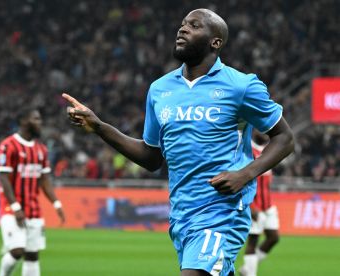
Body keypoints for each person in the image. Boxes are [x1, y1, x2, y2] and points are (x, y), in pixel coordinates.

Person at [63, 8, 294, 276]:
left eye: (194, 26)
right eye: (183, 24)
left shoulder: (241, 86)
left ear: (215, 42)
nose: (182, 29)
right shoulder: (160, 89)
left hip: (222, 211)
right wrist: (100, 127)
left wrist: (245, 174)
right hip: (182, 213)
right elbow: (151, 157)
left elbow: (285, 138)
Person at [0, 107, 65, 276]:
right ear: (23, 121)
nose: (40, 123)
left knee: (32, 254)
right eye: (36, 119)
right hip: (12, 209)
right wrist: (15, 207)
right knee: (17, 250)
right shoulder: (8, 145)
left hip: (34, 209)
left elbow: (44, 180)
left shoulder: (41, 150)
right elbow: (4, 178)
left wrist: (56, 204)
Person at [239, 132, 280, 276]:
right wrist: (249, 206)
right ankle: (250, 273)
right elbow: (241, 180)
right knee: (253, 241)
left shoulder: (268, 150)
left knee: (273, 238)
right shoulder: (247, 150)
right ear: (253, 130)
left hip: (268, 205)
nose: (264, 132)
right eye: (260, 129)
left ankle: (246, 269)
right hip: (254, 206)